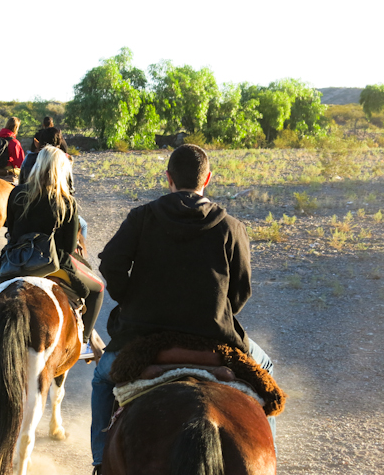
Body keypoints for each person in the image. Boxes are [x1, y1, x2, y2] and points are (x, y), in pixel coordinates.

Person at [90, 144, 276, 474]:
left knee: (103, 380)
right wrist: (217, 310)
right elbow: (241, 290)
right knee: (267, 371)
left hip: (144, 340)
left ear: (169, 178)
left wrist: (132, 301)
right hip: (215, 340)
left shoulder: (141, 217)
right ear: (207, 179)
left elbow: (112, 265)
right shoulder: (231, 226)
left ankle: (99, 462)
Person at [0, 146, 103, 359]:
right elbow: (67, 247)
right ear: (61, 170)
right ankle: (84, 343)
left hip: (17, 258)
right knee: (98, 289)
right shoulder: (66, 202)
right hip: (53, 262)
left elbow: (12, 231)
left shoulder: (18, 193)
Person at [20, 127, 88, 240]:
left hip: (28, 209)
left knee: (12, 236)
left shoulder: (28, 159)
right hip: (56, 209)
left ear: (38, 143)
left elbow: (21, 183)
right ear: (59, 144)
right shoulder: (64, 161)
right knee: (83, 225)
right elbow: (70, 190)